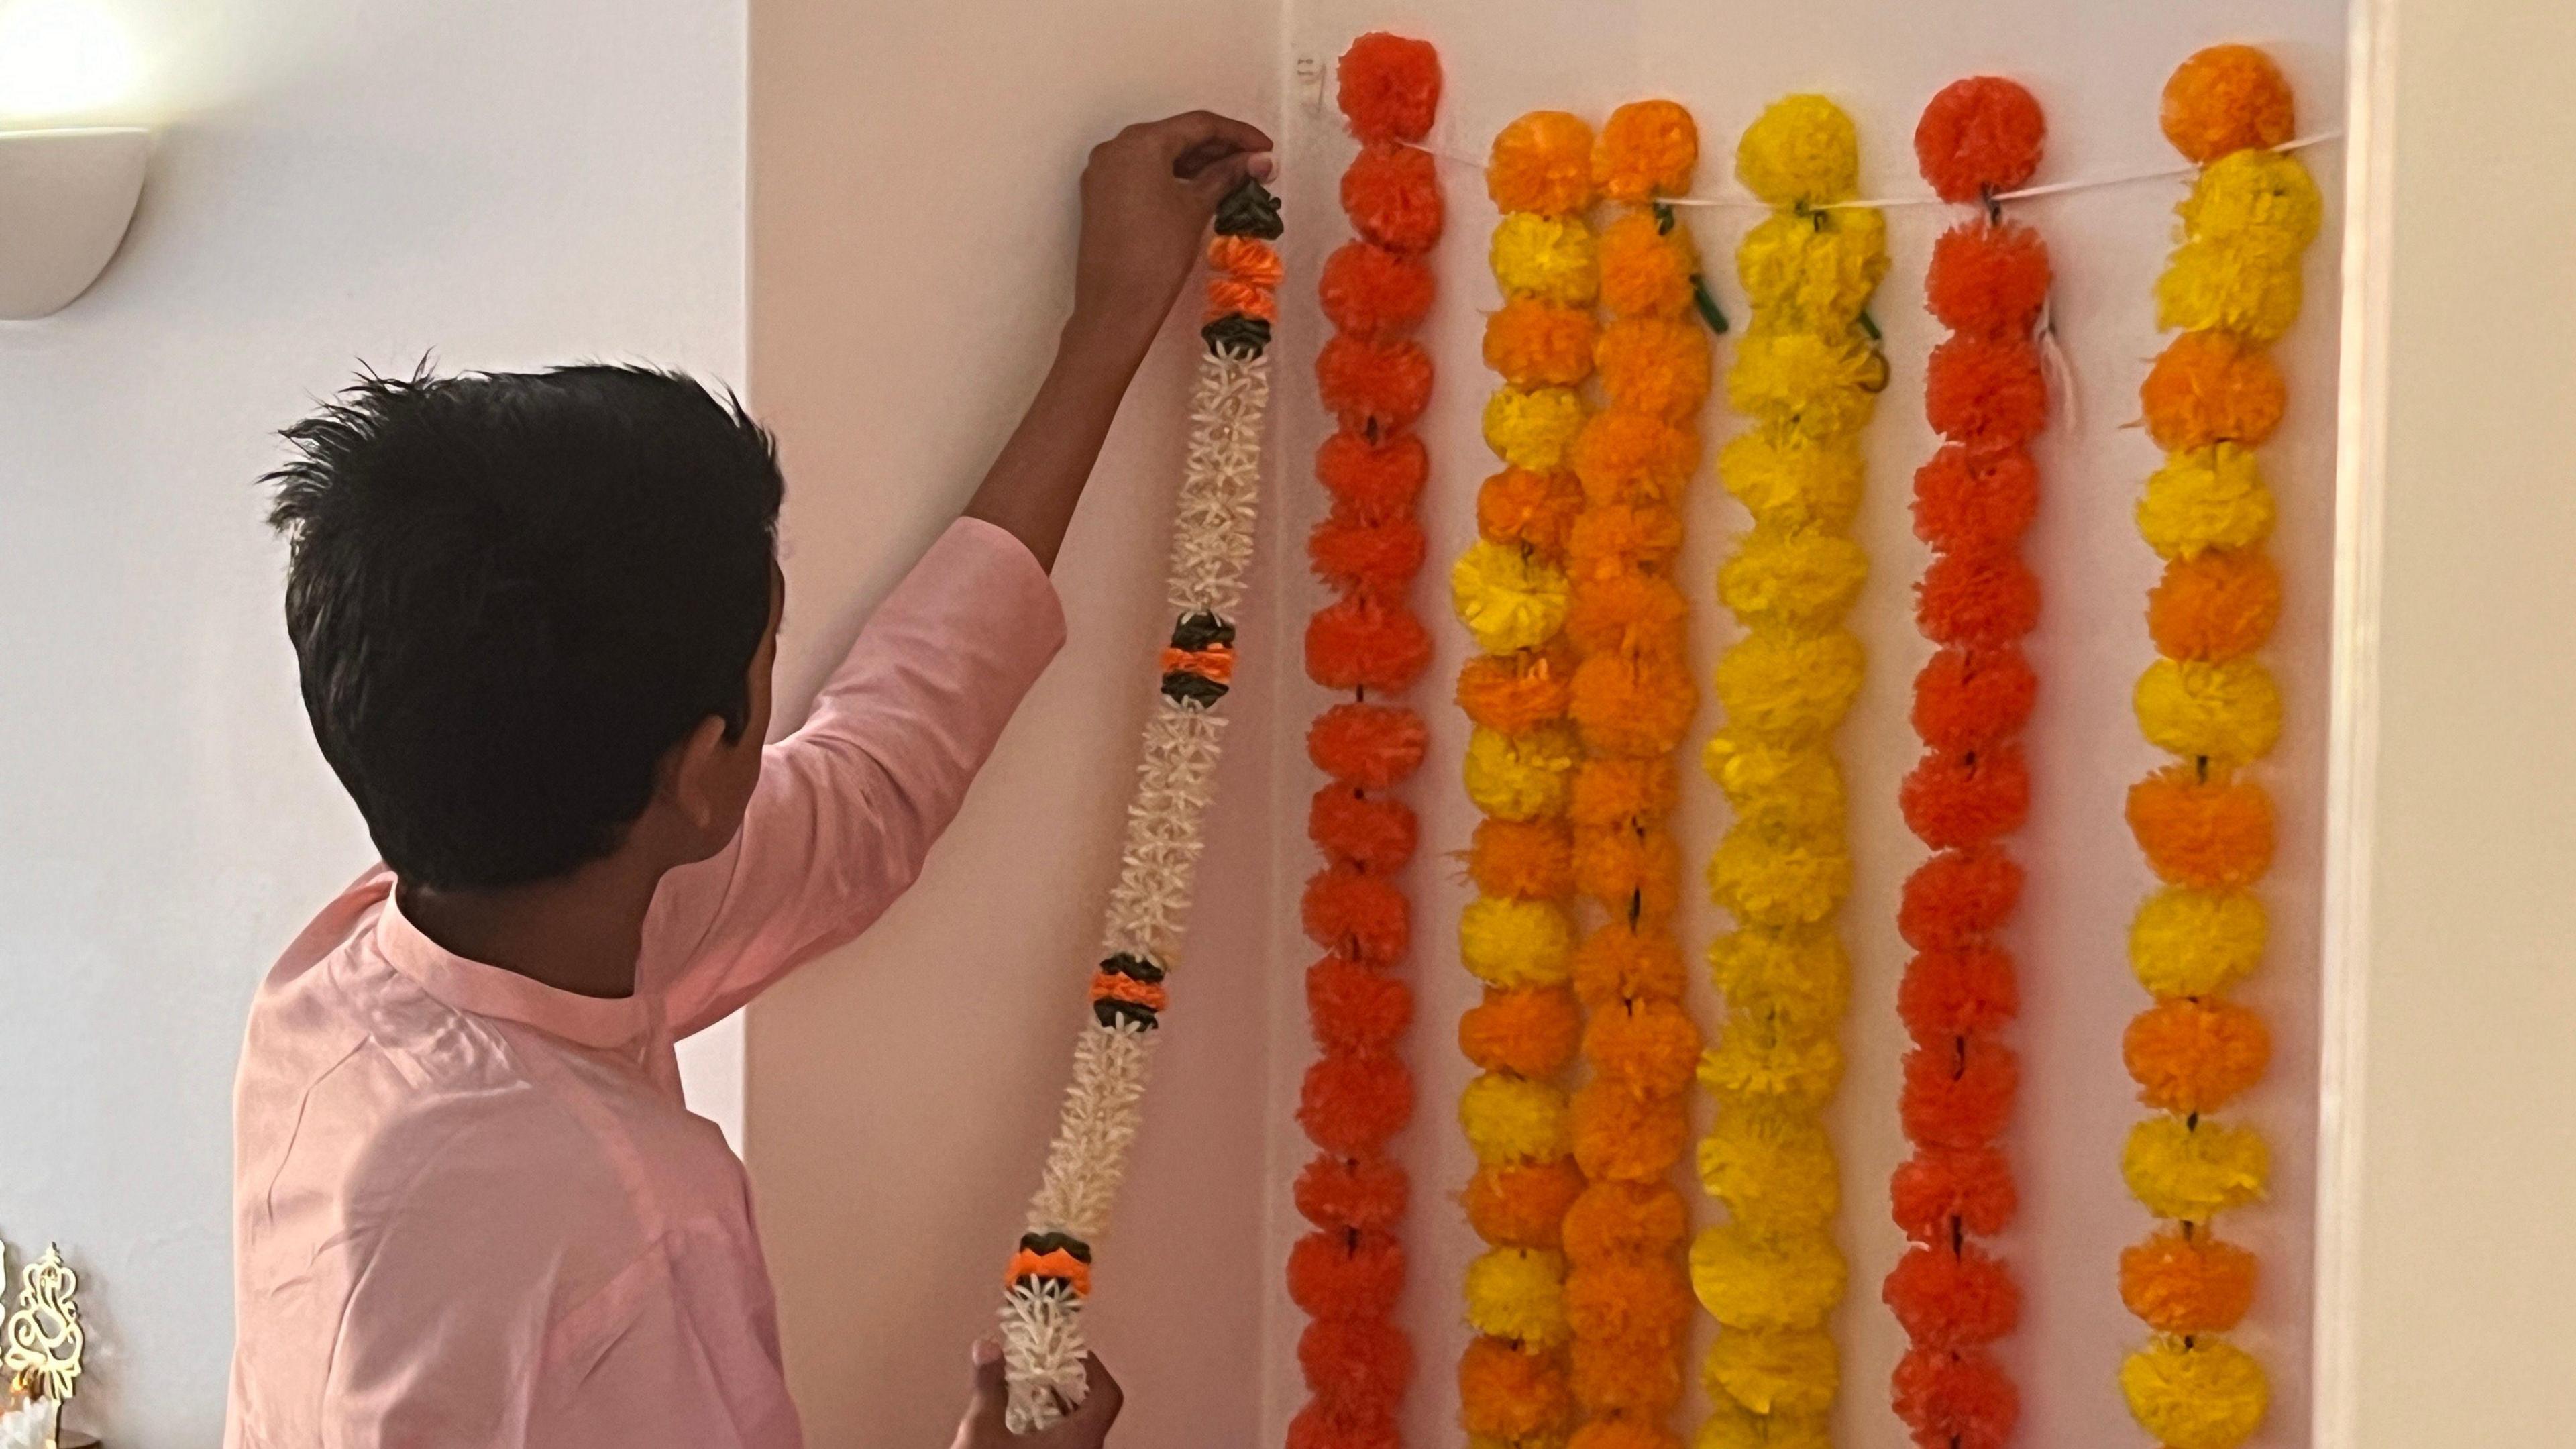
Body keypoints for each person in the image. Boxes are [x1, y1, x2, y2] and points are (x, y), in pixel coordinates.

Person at [225, 110, 1273, 1449]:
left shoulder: (344, 987)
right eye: (772, 651)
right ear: (701, 774)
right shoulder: (629, 1225)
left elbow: (876, 779)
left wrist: (1109, 329)